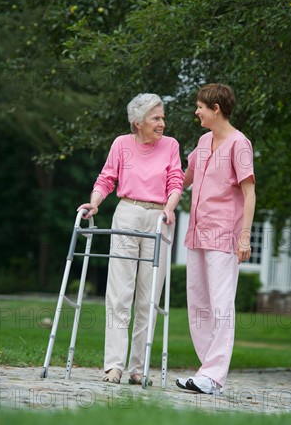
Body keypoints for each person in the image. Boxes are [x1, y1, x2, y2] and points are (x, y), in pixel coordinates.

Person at [78, 93, 184, 385]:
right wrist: (95, 203)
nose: (162, 123)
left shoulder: (171, 145)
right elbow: (106, 178)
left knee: (148, 297)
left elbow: (176, 180)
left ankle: (138, 367)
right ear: (138, 122)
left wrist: (169, 210)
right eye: (156, 118)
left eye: (162, 117)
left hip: (158, 217)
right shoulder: (121, 144)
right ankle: (114, 365)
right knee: (119, 294)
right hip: (127, 213)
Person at [176, 83, 256, 395]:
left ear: (215, 109)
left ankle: (214, 375)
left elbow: (249, 194)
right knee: (198, 305)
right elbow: (187, 176)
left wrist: (245, 238)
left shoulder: (240, 144)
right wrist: (162, 200)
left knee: (221, 305)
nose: (196, 112)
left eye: (200, 107)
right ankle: (206, 372)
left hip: (224, 234)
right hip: (197, 231)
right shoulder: (203, 140)